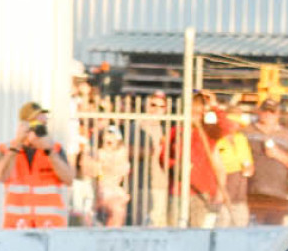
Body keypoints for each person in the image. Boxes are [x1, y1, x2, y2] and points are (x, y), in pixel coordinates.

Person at [0, 102, 73, 229]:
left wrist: (49, 151)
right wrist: (17, 144)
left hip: (49, 226)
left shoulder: (55, 148)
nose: (39, 130)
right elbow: (1, 177)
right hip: (17, 225)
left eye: (43, 126)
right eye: (36, 125)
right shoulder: (7, 148)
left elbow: (68, 179)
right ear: (24, 125)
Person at [160, 92, 227, 227]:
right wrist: (176, 166)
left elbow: (226, 128)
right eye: (193, 110)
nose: (196, 115)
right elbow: (163, 158)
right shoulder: (175, 131)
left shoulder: (208, 132)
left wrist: (215, 107)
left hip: (201, 192)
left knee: (196, 232)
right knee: (174, 230)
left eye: (200, 111)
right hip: (178, 191)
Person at [243, 98, 288, 218]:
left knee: (275, 234)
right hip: (253, 193)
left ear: (278, 114)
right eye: (265, 111)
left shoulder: (285, 133)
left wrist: (277, 154)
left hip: (278, 194)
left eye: (272, 112)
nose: (268, 115)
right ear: (259, 112)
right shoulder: (247, 131)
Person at [213, 99, 254, 227]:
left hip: (240, 194)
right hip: (222, 194)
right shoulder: (216, 139)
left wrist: (248, 169)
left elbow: (250, 165)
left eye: (236, 122)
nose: (234, 125)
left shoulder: (241, 139)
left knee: (240, 227)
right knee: (222, 226)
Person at [133, 91, 171, 226]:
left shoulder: (166, 127)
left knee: (159, 222)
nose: (157, 109)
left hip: (162, 182)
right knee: (143, 223)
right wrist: (148, 152)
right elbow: (128, 150)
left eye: (161, 106)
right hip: (142, 183)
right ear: (146, 106)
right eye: (153, 105)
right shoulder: (138, 126)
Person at [95, 125, 131, 227]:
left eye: (112, 138)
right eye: (107, 138)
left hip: (115, 190)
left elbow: (121, 171)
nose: (109, 141)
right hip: (102, 190)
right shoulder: (99, 153)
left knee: (117, 213)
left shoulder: (122, 152)